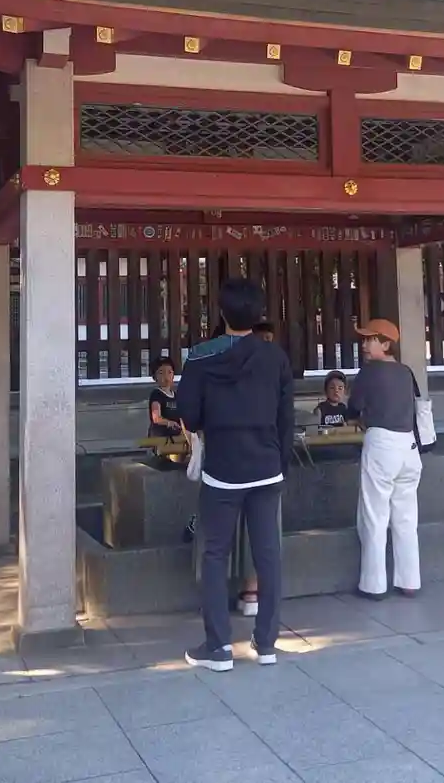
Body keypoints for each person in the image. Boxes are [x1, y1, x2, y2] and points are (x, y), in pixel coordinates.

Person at [176, 278, 294, 671]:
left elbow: (188, 414)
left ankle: (219, 647)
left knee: (215, 554)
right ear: (259, 315)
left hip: (223, 469)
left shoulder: (200, 356)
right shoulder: (275, 357)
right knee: (268, 555)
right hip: (267, 467)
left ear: (221, 312)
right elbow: (286, 418)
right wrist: (281, 463)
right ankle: (267, 644)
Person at [348, 318, 422, 601]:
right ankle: (409, 581)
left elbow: (353, 408)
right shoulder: (406, 372)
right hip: (409, 448)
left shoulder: (369, 372)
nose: (364, 345)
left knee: (374, 516)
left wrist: (359, 417)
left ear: (386, 344)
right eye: (364, 340)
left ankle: (374, 584)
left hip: (382, 445)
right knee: (406, 518)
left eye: (371, 340)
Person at [147, 356, 182, 439]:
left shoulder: (176, 395)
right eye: (161, 373)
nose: (166, 376)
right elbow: (156, 418)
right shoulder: (156, 394)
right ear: (154, 377)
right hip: (160, 437)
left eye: (169, 372)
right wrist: (169, 423)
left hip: (175, 436)